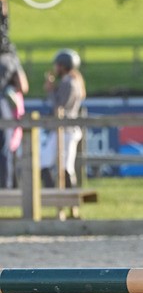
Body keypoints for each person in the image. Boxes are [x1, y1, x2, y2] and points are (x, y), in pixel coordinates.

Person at [42, 50, 86, 190]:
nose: (55, 68)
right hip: (67, 129)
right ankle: (63, 197)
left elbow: (59, 106)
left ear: (63, 65)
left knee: (52, 164)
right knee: (64, 166)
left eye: (57, 65)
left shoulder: (69, 82)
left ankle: (58, 196)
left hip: (65, 130)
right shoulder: (72, 81)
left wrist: (50, 90)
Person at [0, 0, 28, 188]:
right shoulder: (9, 57)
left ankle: (6, 185)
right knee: (6, 147)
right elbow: (23, 86)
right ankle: (6, 186)